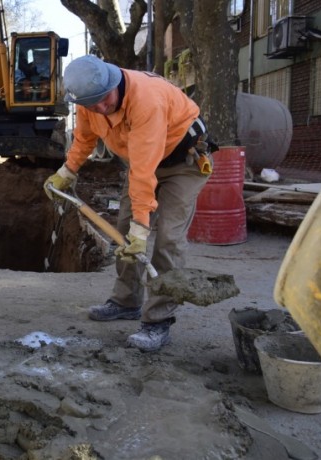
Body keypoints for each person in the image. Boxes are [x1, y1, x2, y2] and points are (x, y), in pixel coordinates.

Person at [43, 55, 216, 352]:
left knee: (168, 239)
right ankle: (126, 302)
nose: (100, 108)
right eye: (91, 104)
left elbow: (143, 170)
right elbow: (85, 139)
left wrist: (142, 225)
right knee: (124, 232)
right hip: (143, 163)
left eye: (104, 100)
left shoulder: (146, 100)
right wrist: (66, 171)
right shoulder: (89, 102)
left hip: (183, 162)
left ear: (113, 81)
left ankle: (158, 321)